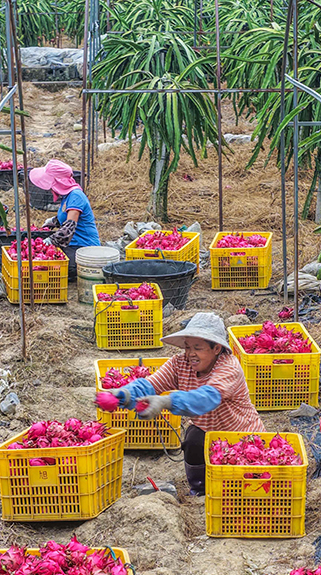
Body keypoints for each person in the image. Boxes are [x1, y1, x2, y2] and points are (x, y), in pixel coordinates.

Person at [103, 312, 264, 496]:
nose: (190, 354)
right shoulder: (179, 364)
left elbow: (206, 398)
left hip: (243, 438)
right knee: (193, 438)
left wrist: (166, 401)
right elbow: (150, 384)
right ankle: (200, 491)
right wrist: (124, 394)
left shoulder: (229, 367)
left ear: (217, 348)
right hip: (208, 434)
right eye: (187, 347)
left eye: (198, 348)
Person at [28, 159, 99, 279]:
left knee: (52, 266)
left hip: (84, 249)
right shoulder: (68, 196)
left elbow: (69, 229)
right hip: (72, 246)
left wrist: (48, 242)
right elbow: (67, 215)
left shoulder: (76, 196)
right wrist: (54, 221)